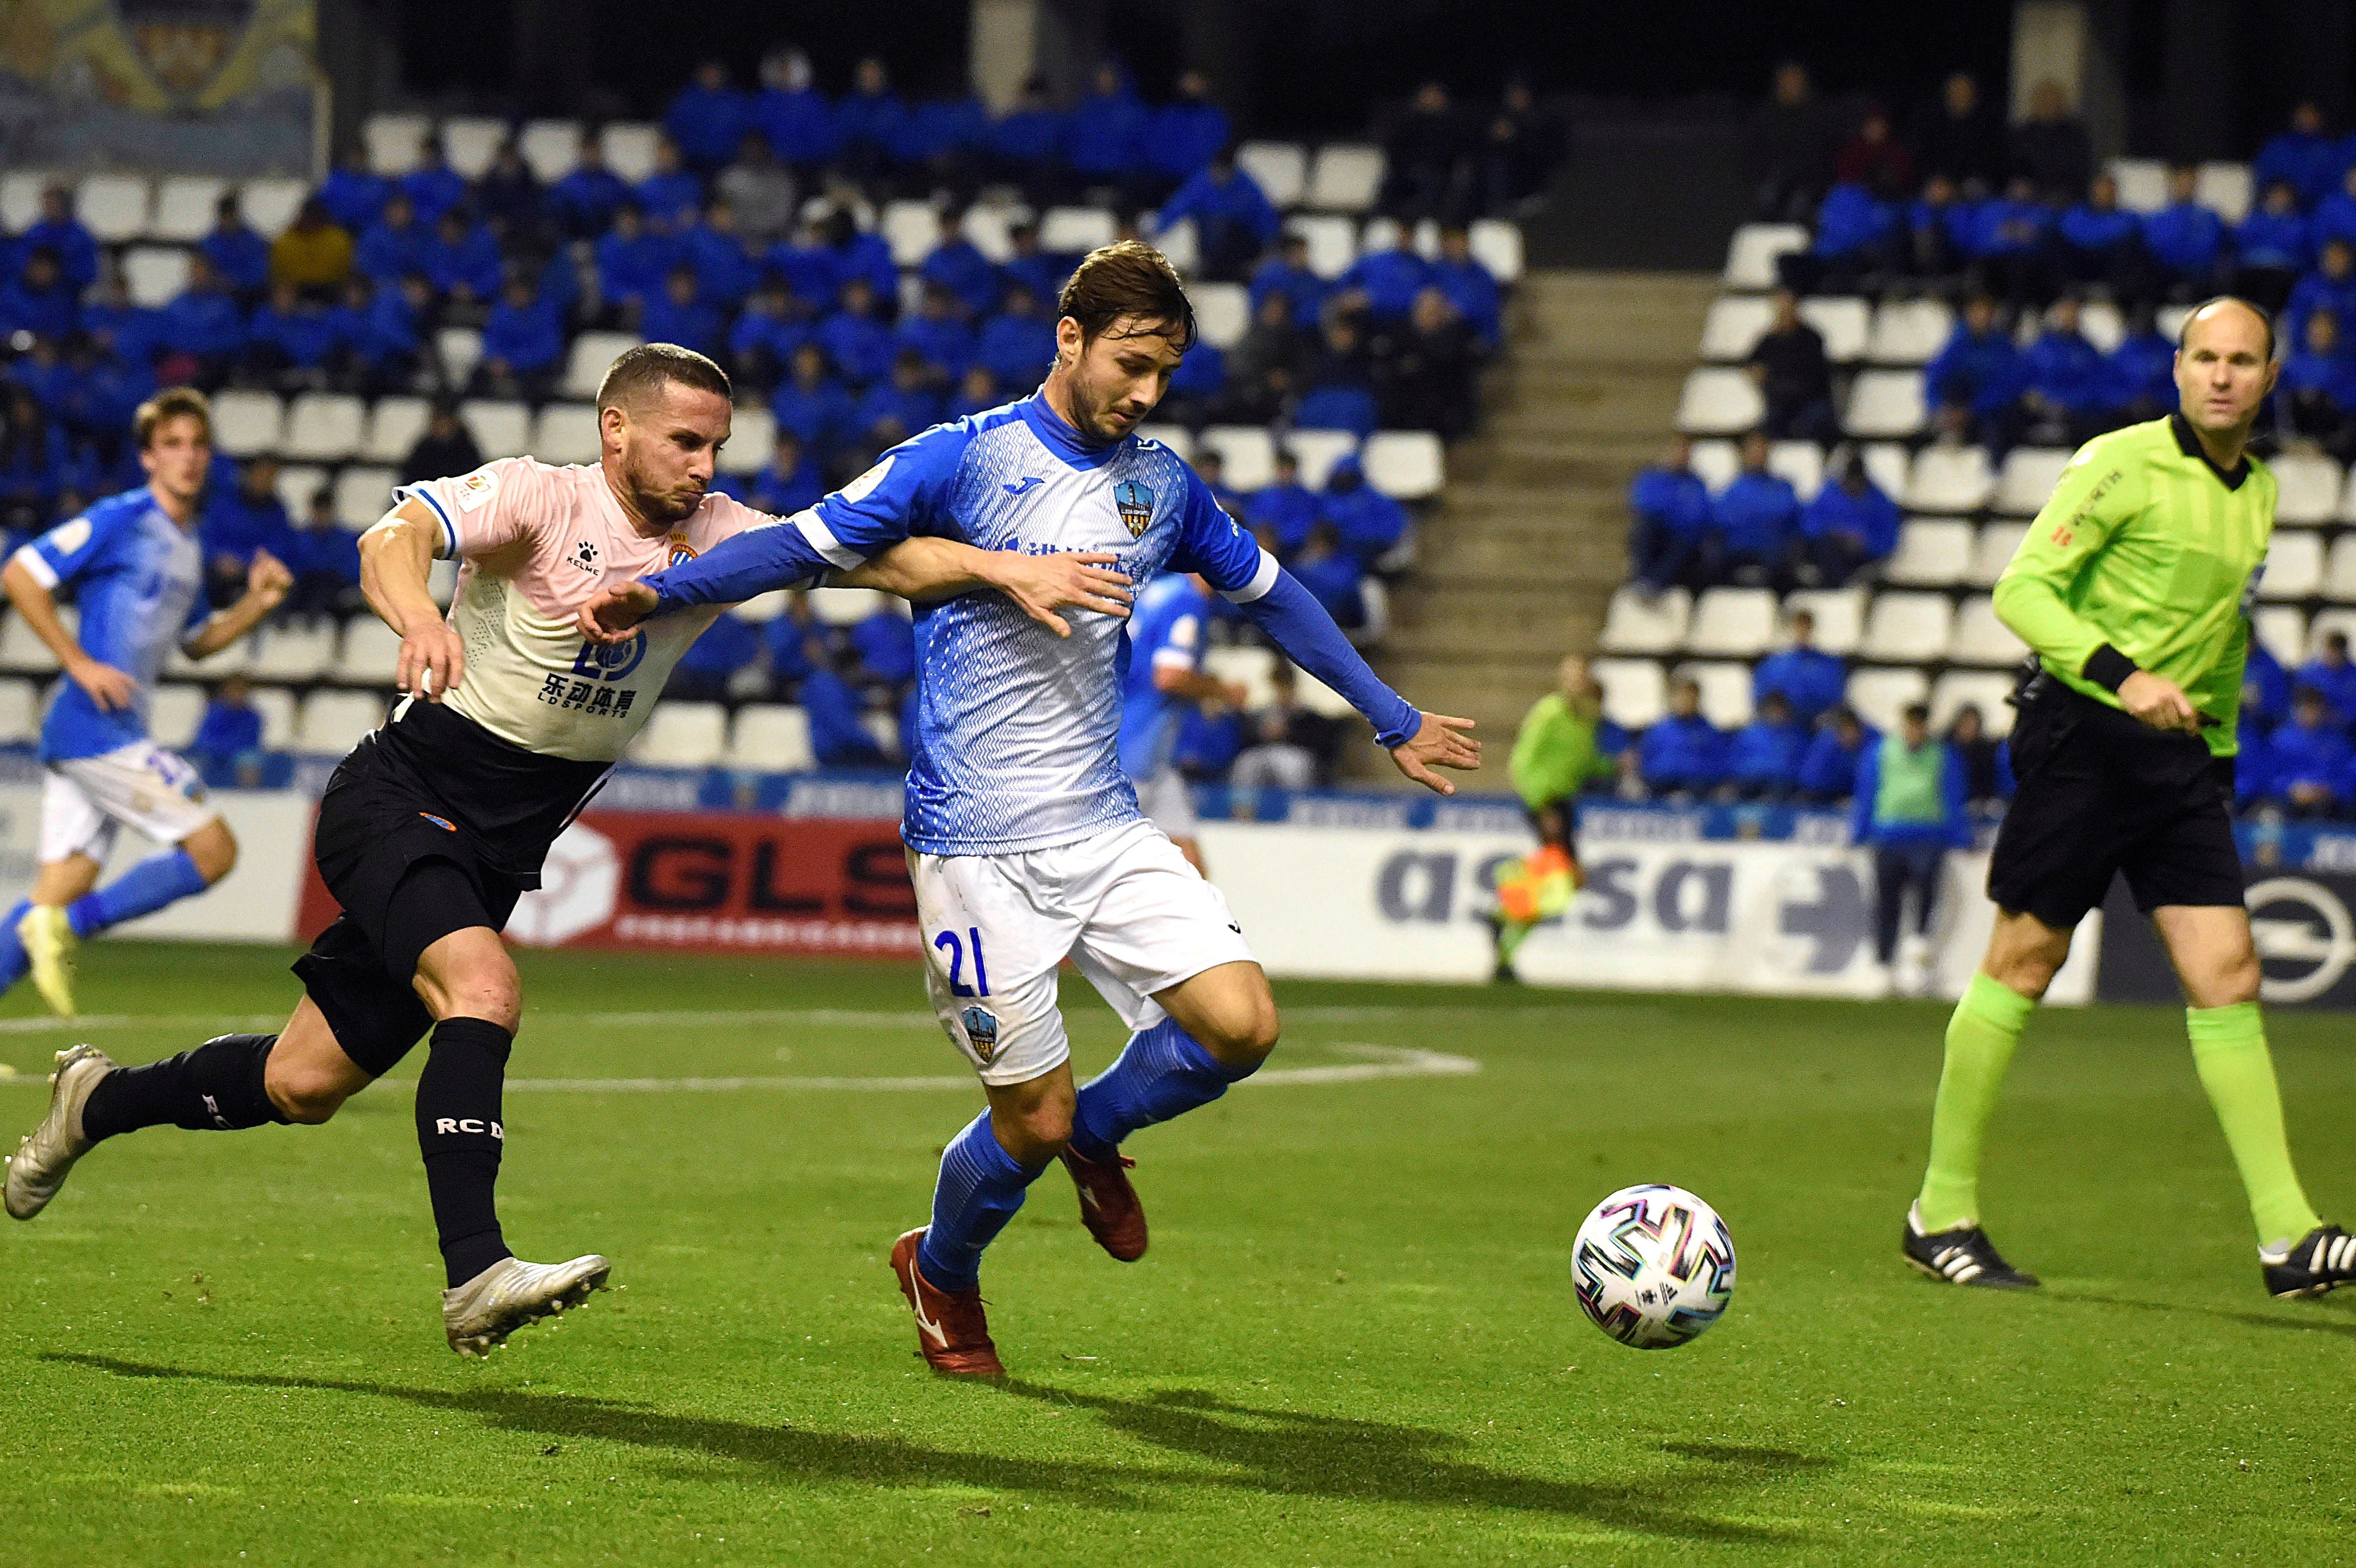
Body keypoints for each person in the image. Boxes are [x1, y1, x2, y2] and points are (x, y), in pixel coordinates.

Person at [1, 346, 1138, 1357]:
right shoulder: (537, 497)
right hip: (399, 796)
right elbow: (389, 537)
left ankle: (95, 1102)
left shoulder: (721, 537)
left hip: (495, 846)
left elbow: (881, 557)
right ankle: (475, 1270)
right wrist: (422, 618)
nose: (702, 464)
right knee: (484, 988)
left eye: (716, 446)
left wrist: (1002, 568)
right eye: (684, 441)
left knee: (300, 1083)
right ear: (617, 430)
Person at [575, 242, 1480, 1376]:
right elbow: (796, 546)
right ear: (1070, 338)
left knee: (1241, 1028)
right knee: (1029, 1121)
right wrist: (657, 586)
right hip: (972, 851)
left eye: (1165, 374)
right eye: (1131, 365)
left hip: (1102, 824)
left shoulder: (1160, 486)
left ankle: (1101, 1131)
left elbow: (1271, 594)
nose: (1146, 394)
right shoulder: (959, 460)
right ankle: (942, 1271)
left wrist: (1389, 714)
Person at [1903, 296, 2356, 1301]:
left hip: (2180, 755)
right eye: (2205, 356)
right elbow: (2020, 590)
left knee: (2226, 969)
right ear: (2178, 369)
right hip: (2083, 736)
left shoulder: (2262, 493)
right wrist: (2122, 675)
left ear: (2269, 376)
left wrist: (2223, 758)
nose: (2223, 374)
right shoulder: (2117, 461)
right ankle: (1939, 1211)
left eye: (2242, 359)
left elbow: (2224, 633)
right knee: (2024, 959)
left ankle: (2287, 1235)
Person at [0, 389, 291, 1018]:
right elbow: (21, 572)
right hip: (95, 727)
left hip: (108, 730)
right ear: (148, 457)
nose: (187, 457)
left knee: (60, 887)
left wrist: (257, 604)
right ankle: (64, 928)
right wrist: (79, 661)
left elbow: (196, 643)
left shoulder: (187, 540)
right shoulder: (123, 516)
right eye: (172, 445)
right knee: (214, 851)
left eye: (197, 444)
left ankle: (54, 922)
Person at [1489, 654, 1611, 978]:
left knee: (1558, 881)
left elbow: (1584, 763)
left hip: (1563, 803)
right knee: (1565, 880)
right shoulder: (1548, 713)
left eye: (1581, 677)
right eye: (1572, 677)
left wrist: (1613, 766)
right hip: (1547, 803)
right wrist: (1541, 805)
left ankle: (1502, 920)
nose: (1577, 684)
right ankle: (1503, 927)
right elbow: (1522, 760)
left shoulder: (1584, 720)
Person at [1117, 571, 1241, 874]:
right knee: (1107, 871)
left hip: (1148, 753)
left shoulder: (1159, 590)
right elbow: (1169, 676)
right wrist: (1222, 691)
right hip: (1134, 750)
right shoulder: (1188, 601)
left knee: (1192, 868)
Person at [1852, 701, 1972, 995]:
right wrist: (1860, 831)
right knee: (1887, 904)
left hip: (1928, 838)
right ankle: (1883, 965)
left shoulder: (1943, 756)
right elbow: (1867, 792)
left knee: (1926, 902)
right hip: (1889, 836)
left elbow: (1953, 797)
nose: (1915, 731)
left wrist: (1960, 837)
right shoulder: (1880, 752)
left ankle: (1917, 966)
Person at [1707, 432, 1801, 588]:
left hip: (1773, 550)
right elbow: (1721, 519)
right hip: (1737, 551)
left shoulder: (1783, 488)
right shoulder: (1732, 489)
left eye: (1761, 450)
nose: (1758, 455)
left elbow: (1790, 516)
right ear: (1745, 455)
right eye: (1753, 450)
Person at [1627, 435, 1712, 595]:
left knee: (1686, 539)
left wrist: (1673, 513)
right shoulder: (1651, 479)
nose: (1681, 456)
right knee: (1646, 528)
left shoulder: (1696, 483)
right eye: (1677, 451)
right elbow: (1645, 505)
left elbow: (1699, 514)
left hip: (1684, 538)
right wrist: (1674, 512)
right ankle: (1642, 579)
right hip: (1659, 532)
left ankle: (1655, 582)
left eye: (1684, 452)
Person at [1802, 453, 1901, 587]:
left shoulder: (1880, 503)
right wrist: (1835, 534)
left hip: (1862, 560)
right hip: (1825, 551)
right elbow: (1809, 526)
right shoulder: (1829, 494)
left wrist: (1863, 544)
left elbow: (1888, 542)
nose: (1853, 485)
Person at [1638, 677, 1724, 798]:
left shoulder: (1708, 731)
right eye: (1682, 697)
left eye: (1690, 697)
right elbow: (1646, 761)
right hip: (1661, 786)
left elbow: (1718, 763)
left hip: (1698, 787)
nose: (1685, 701)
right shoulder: (1658, 731)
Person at [1727, 690, 1808, 800]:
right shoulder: (1750, 733)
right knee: (1729, 795)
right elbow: (1735, 760)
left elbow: (1801, 765)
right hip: (1748, 782)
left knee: (1778, 794)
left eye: (1779, 709)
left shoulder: (1796, 736)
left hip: (1782, 785)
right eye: (1773, 708)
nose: (1776, 713)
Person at [1796, 703, 1870, 803]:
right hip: (1820, 795)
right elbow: (1811, 782)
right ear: (1837, 734)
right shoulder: (1825, 747)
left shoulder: (1870, 745)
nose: (1850, 737)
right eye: (1845, 733)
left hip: (1849, 794)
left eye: (1853, 732)